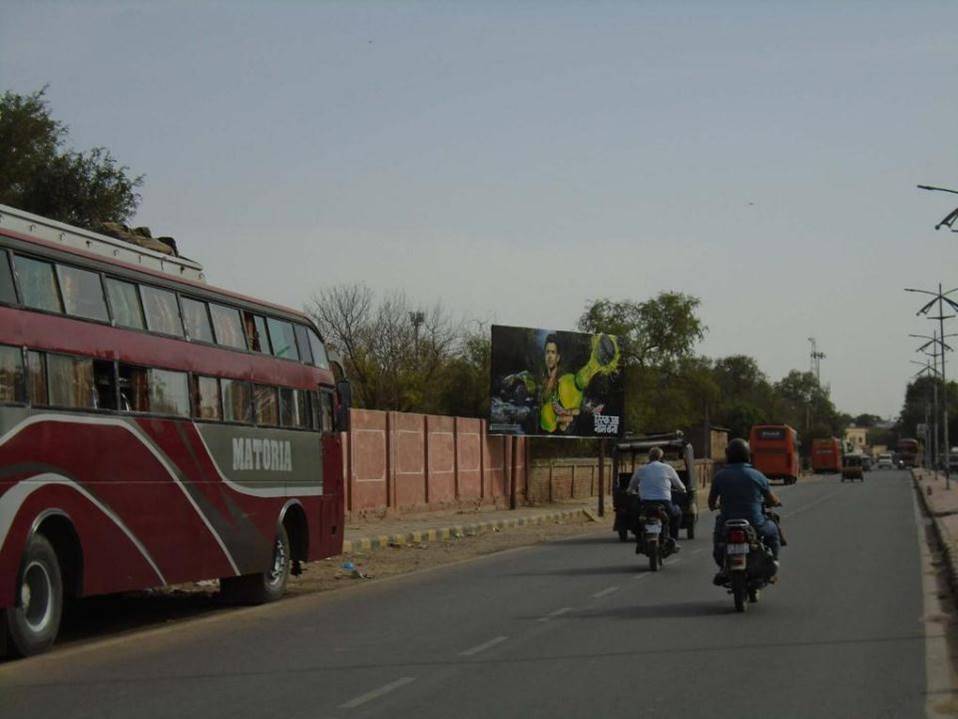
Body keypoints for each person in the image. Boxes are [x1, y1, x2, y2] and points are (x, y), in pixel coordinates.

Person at [709, 438, 782, 583]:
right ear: (748, 455)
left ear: (728, 455)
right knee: (774, 531)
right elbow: (772, 500)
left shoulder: (719, 476)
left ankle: (723, 567)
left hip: (727, 525)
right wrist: (776, 502)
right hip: (756, 524)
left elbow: (711, 503)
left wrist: (716, 506)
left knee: (718, 541)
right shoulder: (757, 475)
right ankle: (773, 563)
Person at [628, 446, 687, 546]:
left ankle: (639, 539)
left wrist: (630, 491)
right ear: (661, 457)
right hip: (664, 503)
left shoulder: (641, 469)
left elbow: (631, 487)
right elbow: (680, 486)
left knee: (635, 516)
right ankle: (673, 539)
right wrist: (682, 490)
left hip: (645, 503)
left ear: (649, 457)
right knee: (677, 514)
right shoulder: (667, 468)